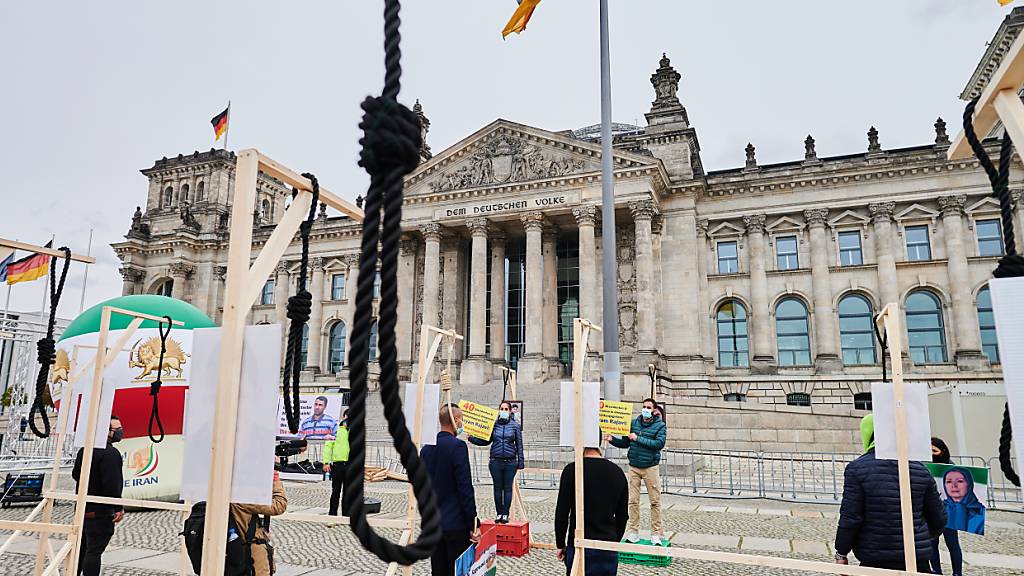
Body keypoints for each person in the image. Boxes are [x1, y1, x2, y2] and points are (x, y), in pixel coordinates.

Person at [834, 414, 946, 572]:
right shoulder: (920, 468)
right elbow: (938, 519)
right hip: (916, 561)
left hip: (875, 560)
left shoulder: (857, 469)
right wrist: (919, 539)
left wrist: (841, 553)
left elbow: (851, 518)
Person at [554, 434, 628, 576]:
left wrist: (560, 544)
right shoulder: (617, 472)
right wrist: (614, 541)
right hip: (607, 543)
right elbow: (623, 516)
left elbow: (562, 514)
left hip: (579, 543)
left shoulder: (572, 470)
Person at [422, 404, 480, 576]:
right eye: (461, 419)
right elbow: (465, 488)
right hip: (455, 524)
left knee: (438, 571)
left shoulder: (426, 449)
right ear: (456, 421)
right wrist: (473, 522)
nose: (462, 423)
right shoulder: (458, 447)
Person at [605, 398, 667, 545]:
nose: (645, 409)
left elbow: (659, 444)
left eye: (648, 407)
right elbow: (626, 443)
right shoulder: (634, 423)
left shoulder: (660, 426)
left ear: (654, 410)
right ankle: (633, 532)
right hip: (634, 466)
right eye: (644, 407)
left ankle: (656, 533)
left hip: (650, 467)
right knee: (633, 501)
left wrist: (638, 438)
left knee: (655, 501)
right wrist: (612, 439)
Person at [71, 416, 125, 576]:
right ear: (106, 432)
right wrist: (118, 508)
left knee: (80, 551)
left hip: (82, 509)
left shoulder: (84, 449)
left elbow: (76, 474)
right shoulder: (111, 454)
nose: (121, 432)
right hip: (101, 512)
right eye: (117, 429)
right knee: (94, 551)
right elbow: (113, 486)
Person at [468, 400, 524, 524]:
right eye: (501, 409)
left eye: (506, 409)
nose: (503, 411)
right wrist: (471, 438)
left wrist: (521, 461)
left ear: (510, 411)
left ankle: (505, 514)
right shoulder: (493, 425)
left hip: (510, 462)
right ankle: (499, 513)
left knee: (508, 489)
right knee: (497, 488)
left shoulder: (515, 426)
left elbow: (519, 445)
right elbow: (486, 441)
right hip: (495, 461)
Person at [229, 468, 289, 575]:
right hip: (250, 557)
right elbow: (279, 505)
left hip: (232, 553)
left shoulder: (221, 491)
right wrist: (275, 478)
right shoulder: (243, 496)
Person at [929, 437, 963, 576]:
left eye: (934, 450)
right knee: (932, 544)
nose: (931, 453)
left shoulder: (951, 466)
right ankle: (936, 571)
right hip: (931, 510)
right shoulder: (926, 466)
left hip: (949, 510)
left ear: (942, 451)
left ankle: (957, 573)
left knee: (952, 543)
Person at [323, 409, 350, 516]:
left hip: (350, 465)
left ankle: (346, 516)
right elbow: (328, 446)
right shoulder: (335, 430)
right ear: (343, 417)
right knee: (336, 491)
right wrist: (326, 462)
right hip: (337, 465)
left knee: (348, 493)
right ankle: (332, 515)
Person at [943, 467, 985, 535]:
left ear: (969, 483)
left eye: (960, 481)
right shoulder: (940, 507)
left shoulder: (979, 512)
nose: (954, 486)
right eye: (949, 482)